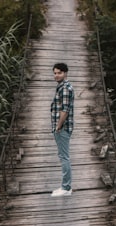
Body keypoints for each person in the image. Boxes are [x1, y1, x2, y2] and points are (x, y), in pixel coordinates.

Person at [50, 62, 74, 196]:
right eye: (55, 73)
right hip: (63, 127)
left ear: (65, 73)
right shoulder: (63, 86)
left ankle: (66, 188)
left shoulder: (65, 88)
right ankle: (66, 186)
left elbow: (64, 110)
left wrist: (58, 126)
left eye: (59, 73)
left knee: (64, 157)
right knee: (63, 156)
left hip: (62, 128)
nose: (56, 75)